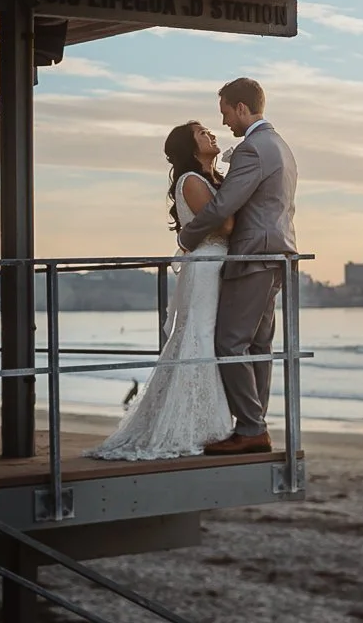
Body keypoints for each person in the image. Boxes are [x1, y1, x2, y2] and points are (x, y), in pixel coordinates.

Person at [88, 122, 233, 459]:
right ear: (191, 148)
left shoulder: (214, 180)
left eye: (209, 130)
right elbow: (224, 225)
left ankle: (208, 421)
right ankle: (197, 425)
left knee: (207, 338)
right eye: (201, 134)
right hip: (205, 270)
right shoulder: (192, 181)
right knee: (197, 337)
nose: (211, 135)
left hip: (219, 268)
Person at [177, 78, 299, 456]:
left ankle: (250, 427)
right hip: (277, 251)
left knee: (230, 342)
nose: (226, 122)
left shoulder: (253, 148)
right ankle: (254, 424)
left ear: (242, 107)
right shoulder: (280, 145)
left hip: (254, 253)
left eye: (226, 112)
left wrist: (186, 238)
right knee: (259, 344)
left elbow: (224, 205)